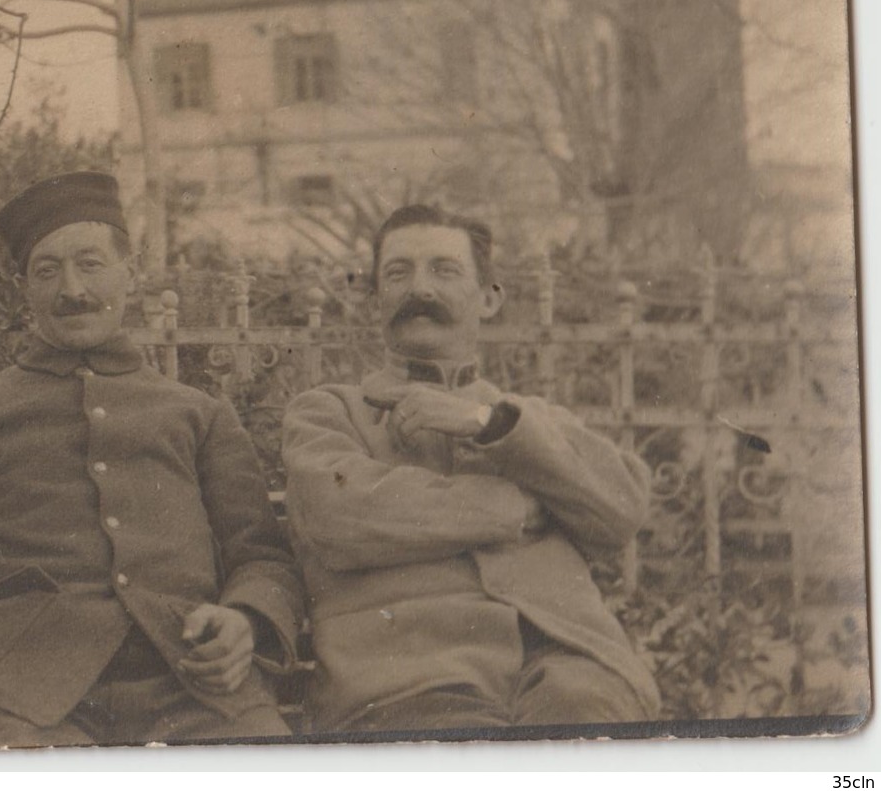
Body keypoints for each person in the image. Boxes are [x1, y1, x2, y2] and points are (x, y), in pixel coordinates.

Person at [0, 171, 302, 748]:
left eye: (91, 264)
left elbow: (262, 556)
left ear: (130, 273)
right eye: (47, 270)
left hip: (195, 692)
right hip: (13, 705)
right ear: (22, 287)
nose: (72, 288)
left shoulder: (200, 416)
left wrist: (245, 621)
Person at [282, 204, 660, 734]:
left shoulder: (524, 419)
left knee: (587, 728)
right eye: (398, 272)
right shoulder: (329, 411)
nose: (421, 288)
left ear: (489, 298)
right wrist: (516, 506)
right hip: (410, 676)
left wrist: (486, 423)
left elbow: (623, 509)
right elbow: (338, 517)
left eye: (445, 269)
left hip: (567, 659)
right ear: (375, 300)